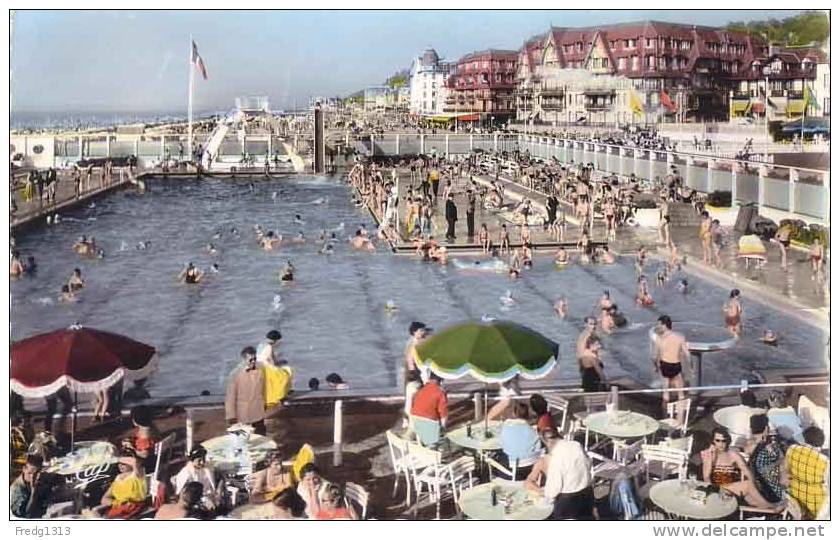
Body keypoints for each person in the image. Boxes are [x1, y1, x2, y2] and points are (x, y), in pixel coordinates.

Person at [700, 427, 780, 510]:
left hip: (730, 487)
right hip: (716, 489)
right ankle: (770, 506)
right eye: (718, 440)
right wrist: (713, 494)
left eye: (724, 441)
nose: (721, 444)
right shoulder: (710, 455)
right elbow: (706, 477)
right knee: (747, 485)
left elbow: (746, 471)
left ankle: (766, 509)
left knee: (750, 495)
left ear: (728, 441)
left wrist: (754, 485)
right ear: (713, 441)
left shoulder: (732, 454)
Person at [544, 437, 595, 520]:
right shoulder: (576, 445)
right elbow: (588, 464)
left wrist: (544, 494)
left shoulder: (556, 458)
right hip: (587, 495)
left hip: (568, 504)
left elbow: (552, 491)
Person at [785, 426, 829, 518]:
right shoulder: (825, 462)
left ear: (804, 437)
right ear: (821, 443)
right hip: (816, 505)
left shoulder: (792, 449)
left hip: (794, 499)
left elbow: (786, 471)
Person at [224, 346, 267, 435]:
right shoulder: (235, 374)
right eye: (250, 360)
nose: (253, 361)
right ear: (244, 359)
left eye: (255, 359)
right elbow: (230, 397)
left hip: (258, 412)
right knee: (243, 440)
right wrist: (231, 416)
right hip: (243, 414)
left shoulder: (261, 369)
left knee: (261, 438)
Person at [652, 315, 689, 414]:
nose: (658, 327)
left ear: (664, 325)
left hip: (664, 365)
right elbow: (688, 355)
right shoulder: (680, 338)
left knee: (666, 393)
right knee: (680, 393)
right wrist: (692, 367)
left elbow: (654, 357)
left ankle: (665, 417)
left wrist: (655, 366)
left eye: (659, 325)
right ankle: (681, 418)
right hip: (676, 365)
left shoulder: (659, 339)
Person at [748, 414, 787, 505]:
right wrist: (780, 460)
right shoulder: (768, 447)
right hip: (775, 494)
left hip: (758, 492)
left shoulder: (748, 446)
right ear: (766, 429)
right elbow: (781, 461)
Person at [499, 402, 543, 479]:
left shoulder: (507, 427)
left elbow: (501, 443)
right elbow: (538, 449)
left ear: (514, 414)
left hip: (509, 469)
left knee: (497, 454)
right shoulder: (534, 433)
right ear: (527, 415)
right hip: (529, 469)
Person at [100, 451, 148, 519]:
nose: (120, 466)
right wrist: (115, 502)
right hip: (119, 508)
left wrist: (115, 458)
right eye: (119, 464)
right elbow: (104, 499)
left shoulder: (137, 473)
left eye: (124, 464)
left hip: (134, 508)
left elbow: (134, 461)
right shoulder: (118, 478)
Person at [172, 446, 221, 511]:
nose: (202, 462)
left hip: (210, 497)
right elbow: (183, 495)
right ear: (192, 460)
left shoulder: (207, 467)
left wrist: (218, 491)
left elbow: (217, 480)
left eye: (203, 459)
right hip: (195, 502)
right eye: (199, 460)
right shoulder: (186, 474)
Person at [257, 330, 293, 407]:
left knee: (284, 370)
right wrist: (277, 367)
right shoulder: (269, 347)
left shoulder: (261, 344)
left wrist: (278, 363)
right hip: (266, 368)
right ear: (275, 340)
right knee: (285, 374)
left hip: (259, 366)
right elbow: (270, 359)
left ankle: (284, 392)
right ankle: (282, 394)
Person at [523, 427, 561, 494]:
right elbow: (528, 482)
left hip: (555, 493)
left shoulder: (543, 461)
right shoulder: (572, 454)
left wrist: (541, 491)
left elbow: (528, 483)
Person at [403, 322, 430, 387]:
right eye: (421, 330)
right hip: (418, 372)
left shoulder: (423, 341)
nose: (423, 332)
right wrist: (412, 371)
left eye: (424, 330)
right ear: (414, 332)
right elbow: (410, 358)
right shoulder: (412, 343)